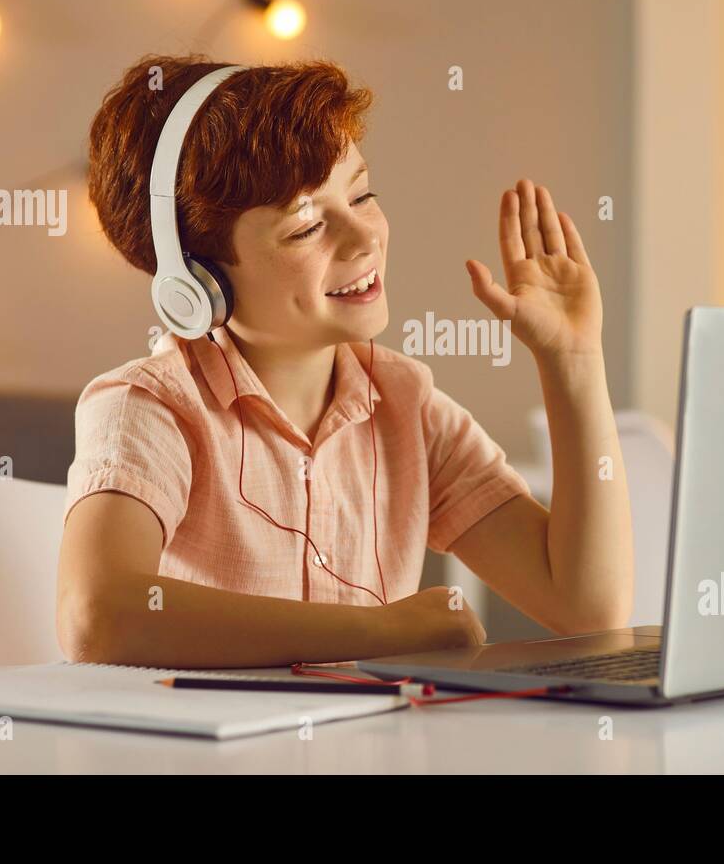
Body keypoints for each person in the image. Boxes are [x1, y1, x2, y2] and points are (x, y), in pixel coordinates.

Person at [57, 55, 632, 667]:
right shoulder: (150, 408)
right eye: (306, 228)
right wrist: (383, 633)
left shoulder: (406, 406)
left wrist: (572, 360)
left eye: (362, 195)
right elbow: (98, 617)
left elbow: (585, 609)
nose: (364, 239)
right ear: (197, 282)